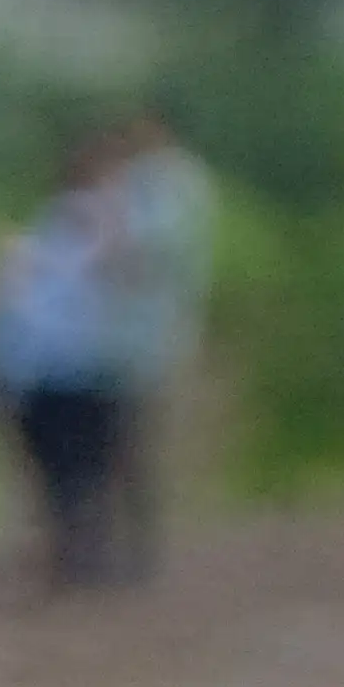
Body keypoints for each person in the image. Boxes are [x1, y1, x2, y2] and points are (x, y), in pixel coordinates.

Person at [0, 129, 140, 591]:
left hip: (61, 368)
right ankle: (75, 555)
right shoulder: (59, 231)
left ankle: (71, 555)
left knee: (67, 469)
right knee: (76, 468)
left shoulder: (44, 232)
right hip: (66, 368)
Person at [99, 110, 212, 579]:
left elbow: (140, 254)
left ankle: (141, 548)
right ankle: (120, 542)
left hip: (153, 336)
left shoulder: (175, 184)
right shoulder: (136, 180)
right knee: (117, 445)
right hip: (120, 336)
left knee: (139, 445)